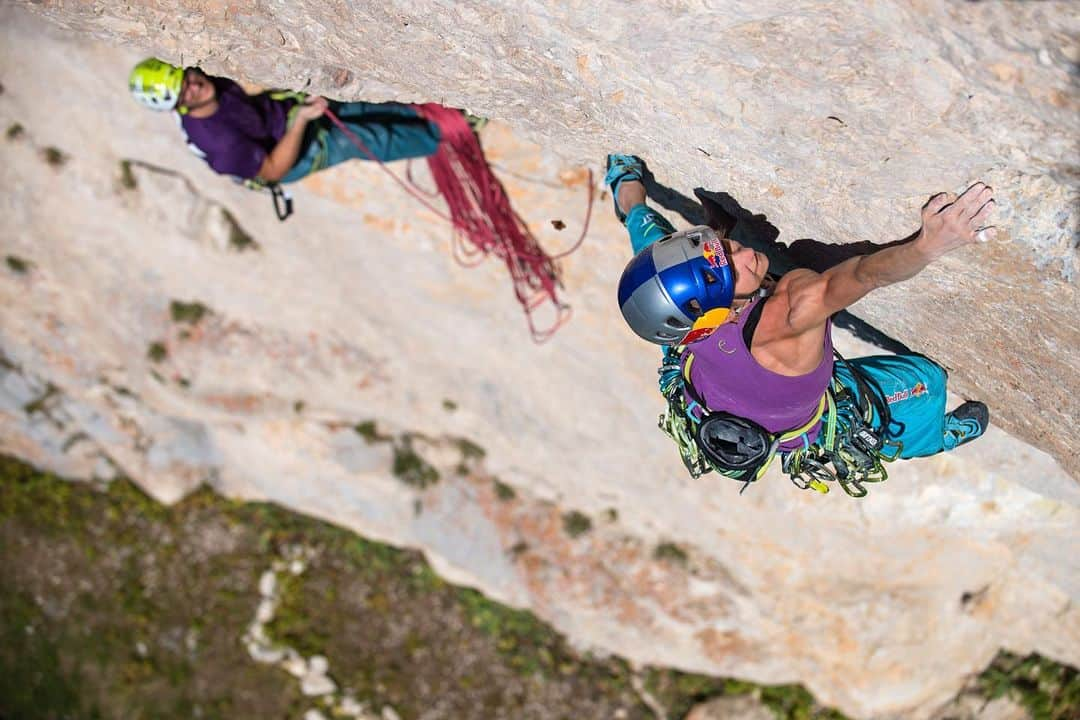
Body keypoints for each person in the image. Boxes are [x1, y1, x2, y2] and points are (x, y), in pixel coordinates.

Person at [608, 154, 992, 494]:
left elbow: (665, 261)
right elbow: (861, 276)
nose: (742, 252)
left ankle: (625, 191)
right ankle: (932, 439)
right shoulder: (788, 319)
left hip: (701, 386)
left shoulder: (683, 326)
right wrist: (927, 245)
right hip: (798, 419)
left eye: (725, 248)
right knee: (928, 379)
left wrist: (689, 226)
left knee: (653, 257)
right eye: (731, 266)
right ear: (717, 315)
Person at [128, 58, 445, 186]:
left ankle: (428, 112)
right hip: (282, 156)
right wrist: (301, 122)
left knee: (352, 105)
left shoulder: (209, 86)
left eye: (188, 78)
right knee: (349, 140)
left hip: (281, 118)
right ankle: (442, 135)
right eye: (185, 93)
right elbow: (272, 170)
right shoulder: (219, 143)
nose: (195, 86)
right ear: (180, 107)